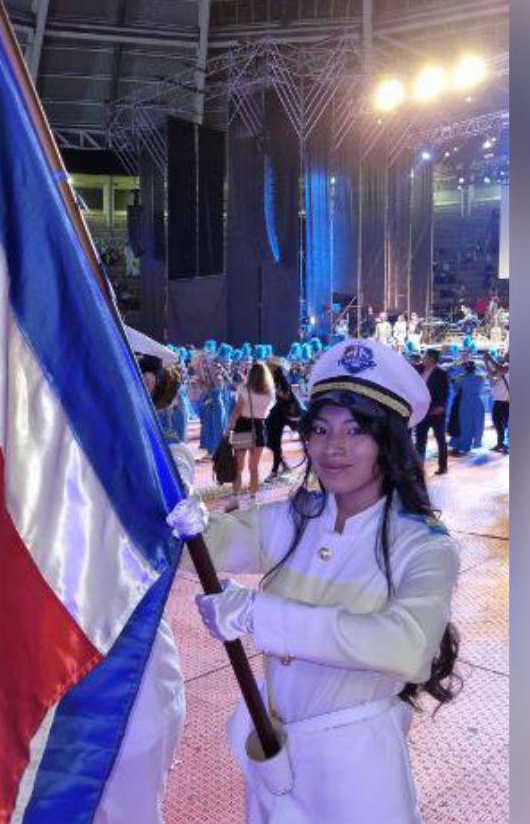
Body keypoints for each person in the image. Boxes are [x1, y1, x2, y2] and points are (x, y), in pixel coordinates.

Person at [167, 339, 460, 823]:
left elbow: (408, 648)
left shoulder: (423, 545)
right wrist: (178, 516)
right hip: (275, 751)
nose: (333, 447)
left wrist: (259, 614)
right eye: (320, 429)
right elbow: (207, 546)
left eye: (356, 430)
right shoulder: (296, 517)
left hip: (357, 768)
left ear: (388, 440)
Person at [95, 366, 191, 823]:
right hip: (69, 646)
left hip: (133, 648)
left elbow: (155, 531)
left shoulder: (168, 457)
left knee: (131, 791)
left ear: (147, 382)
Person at [226, 361, 276, 509]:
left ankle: (235, 497)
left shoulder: (243, 388)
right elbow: (268, 410)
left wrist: (229, 427)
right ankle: (253, 498)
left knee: (238, 466)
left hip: (243, 426)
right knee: (254, 467)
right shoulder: (270, 392)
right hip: (260, 427)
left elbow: (238, 410)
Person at [414, 348, 450, 475]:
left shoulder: (441, 373)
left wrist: (441, 406)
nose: (423, 358)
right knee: (420, 440)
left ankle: (443, 466)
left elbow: (445, 392)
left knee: (440, 439)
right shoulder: (420, 370)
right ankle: (419, 467)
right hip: (422, 410)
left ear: (432, 359)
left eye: (426, 357)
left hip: (436, 411)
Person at [265, 361, 302, 480]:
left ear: (275, 368)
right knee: (271, 442)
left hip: (279, 415)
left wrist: (275, 391)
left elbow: (287, 396)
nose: (267, 368)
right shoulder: (269, 380)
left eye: (270, 366)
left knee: (273, 442)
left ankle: (276, 469)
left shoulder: (282, 380)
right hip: (271, 415)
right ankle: (282, 465)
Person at [447, 360, 486, 454]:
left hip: (465, 403)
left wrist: (453, 380)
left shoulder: (460, 378)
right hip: (477, 402)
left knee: (463, 424)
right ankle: (469, 444)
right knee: (475, 425)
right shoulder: (480, 378)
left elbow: (456, 389)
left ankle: (460, 445)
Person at [483, 353, 510, 453]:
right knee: (498, 422)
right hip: (499, 400)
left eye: (507, 355)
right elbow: (492, 374)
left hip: (504, 400)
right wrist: (486, 362)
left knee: (502, 423)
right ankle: (501, 443)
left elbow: (500, 370)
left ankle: (504, 444)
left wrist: (490, 359)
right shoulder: (504, 367)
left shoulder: (508, 366)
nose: (505, 356)